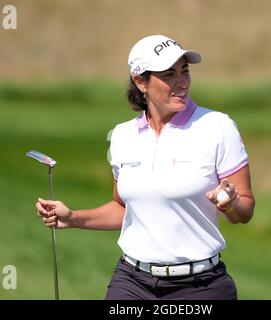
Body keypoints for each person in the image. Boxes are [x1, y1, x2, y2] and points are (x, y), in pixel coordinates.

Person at [36, 35, 255, 300]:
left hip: (200, 287)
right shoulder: (122, 136)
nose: (181, 82)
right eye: (169, 74)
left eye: (184, 71)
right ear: (141, 82)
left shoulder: (217, 127)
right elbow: (123, 208)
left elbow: (245, 209)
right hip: (132, 282)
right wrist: (72, 218)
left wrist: (230, 205)